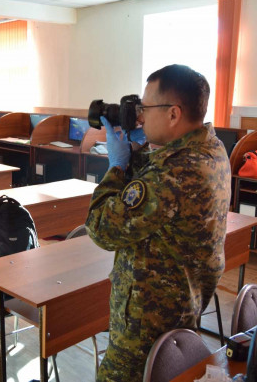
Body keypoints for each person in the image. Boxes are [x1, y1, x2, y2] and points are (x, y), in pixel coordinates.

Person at [85, 64, 231, 382]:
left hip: (146, 324)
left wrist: (117, 167)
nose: (140, 116)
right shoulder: (213, 150)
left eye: (146, 108)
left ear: (174, 114)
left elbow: (100, 227)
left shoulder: (174, 174)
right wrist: (140, 149)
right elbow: (162, 188)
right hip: (184, 306)